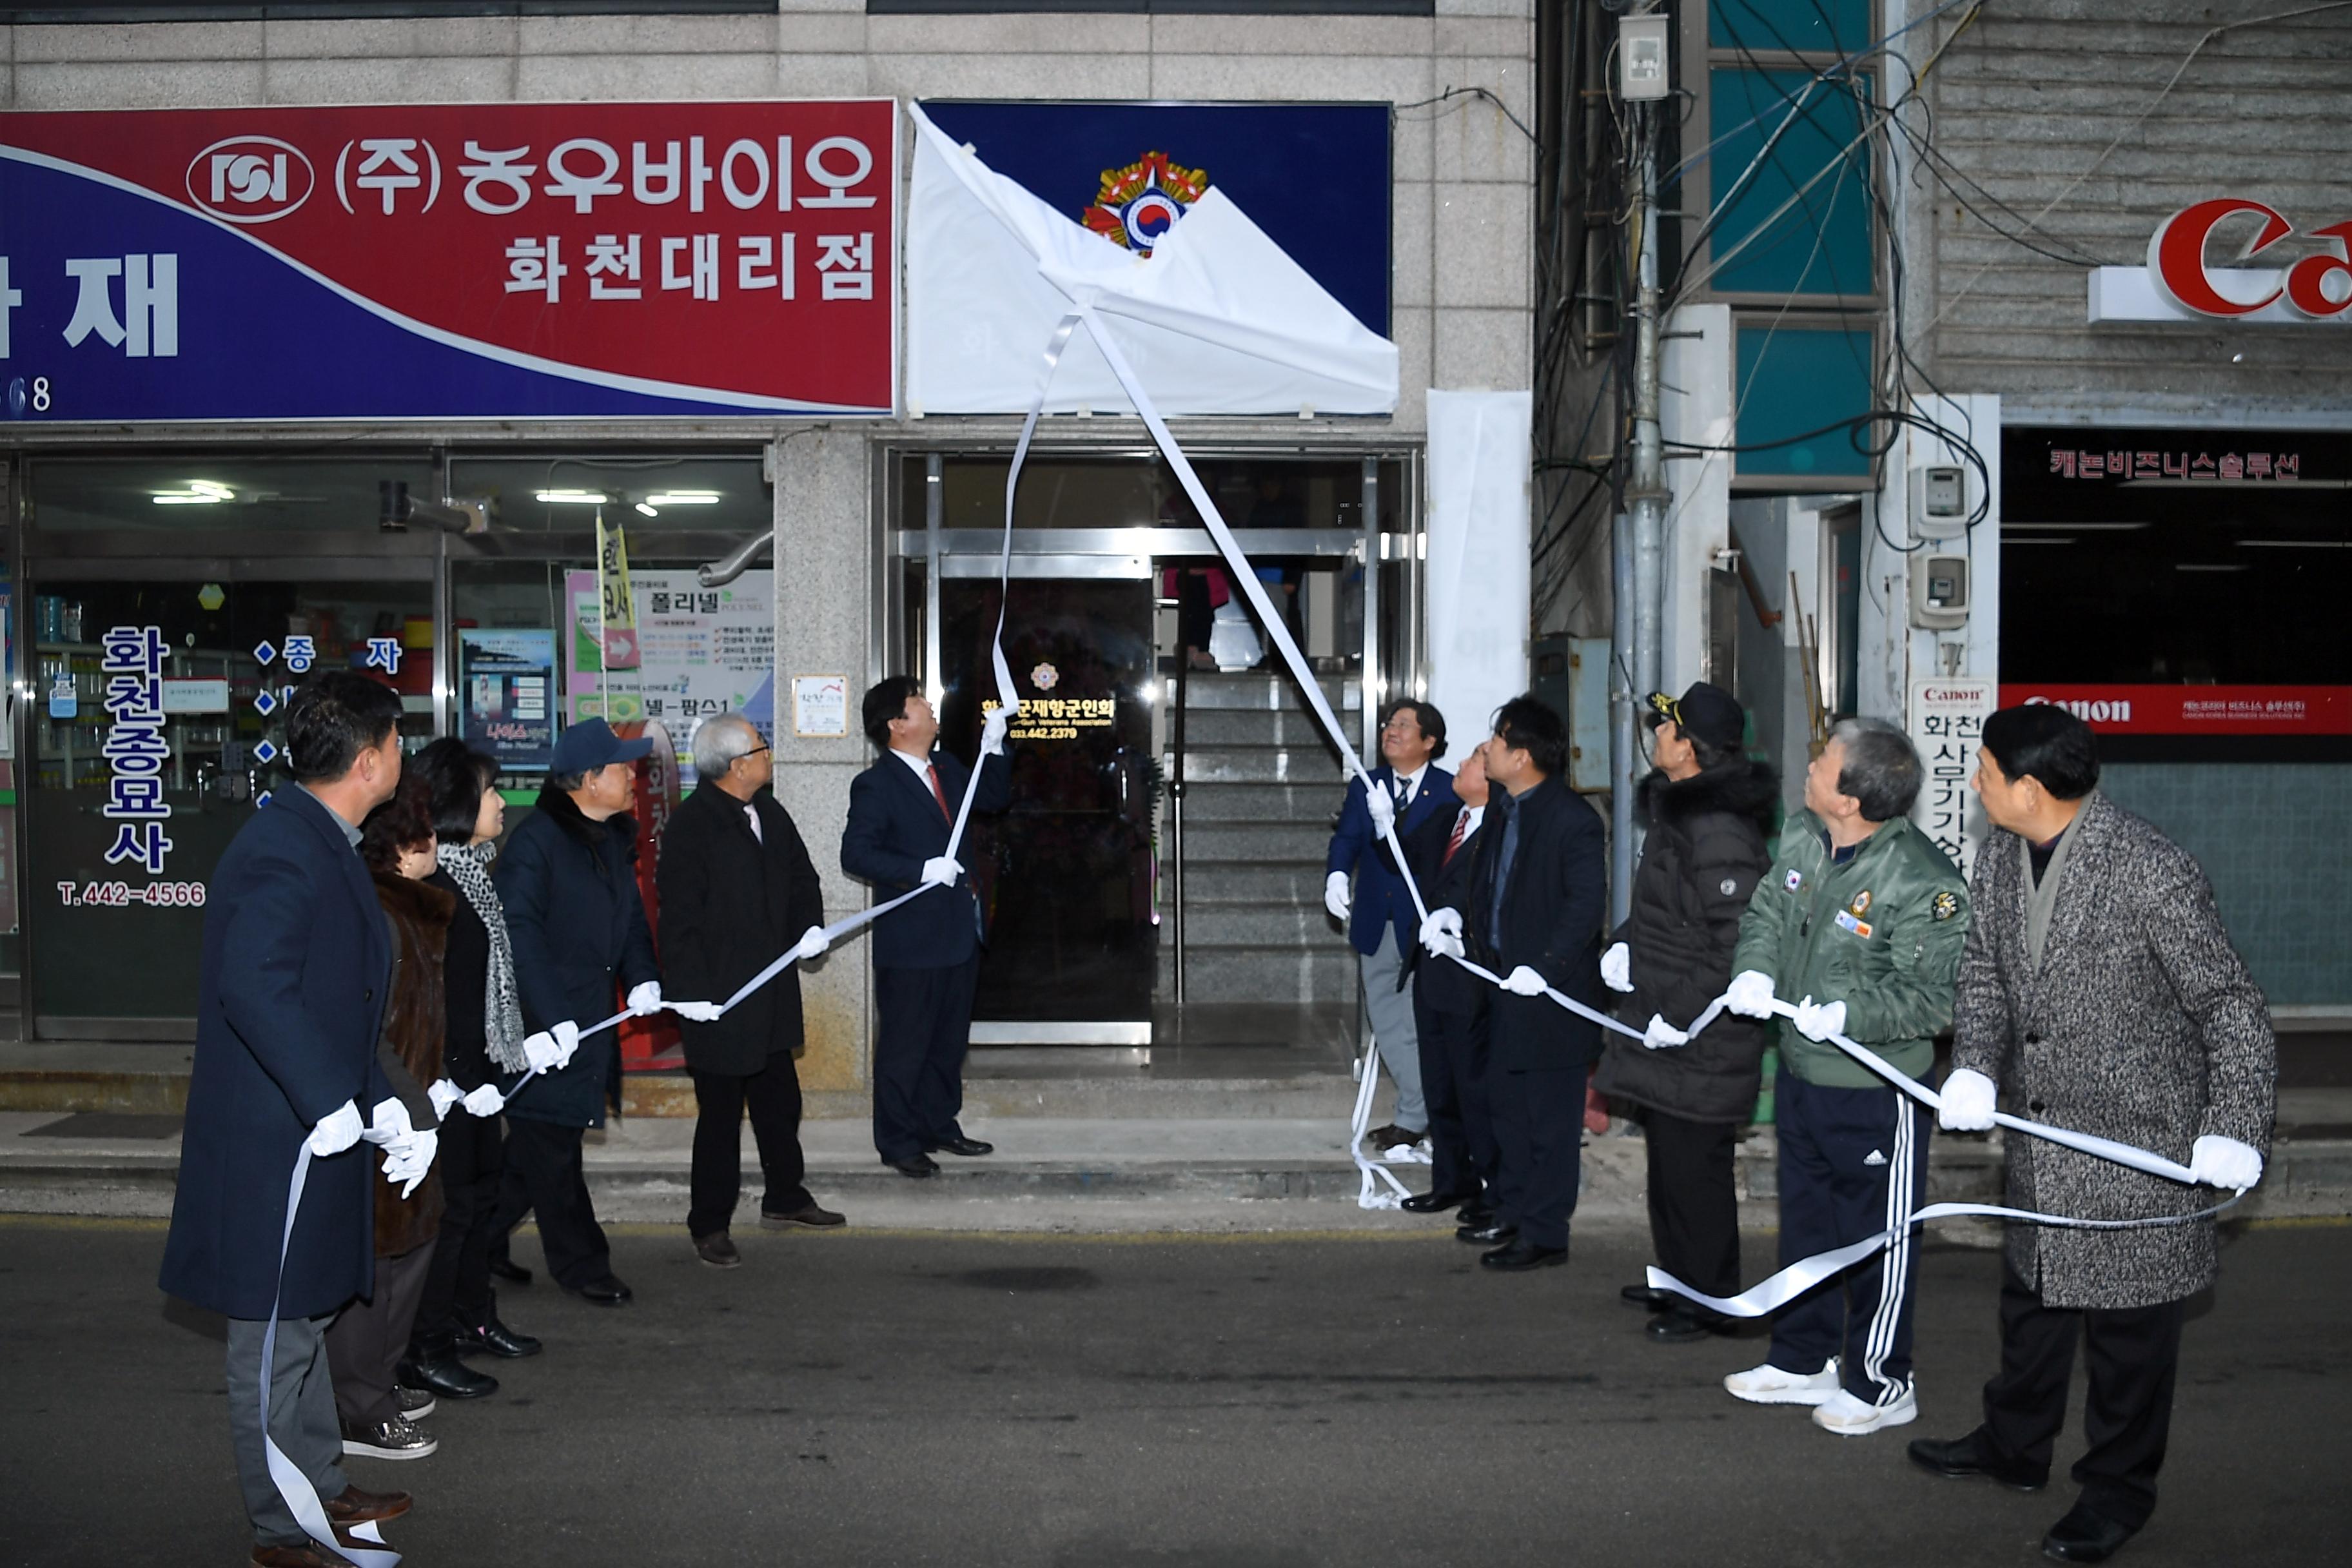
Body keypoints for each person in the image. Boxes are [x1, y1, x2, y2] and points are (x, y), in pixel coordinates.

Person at [1908, 704, 2275, 1564]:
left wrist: (2235, 1126)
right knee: (2032, 1309)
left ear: (2030, 788)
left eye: (1988, 774)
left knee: (2128, 1342)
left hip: (2137, 1153)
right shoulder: (2003, 852)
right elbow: (1986, 977)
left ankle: (2117, 1490)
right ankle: (2014, 1445)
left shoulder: (2150, 870)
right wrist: (1974, 1064)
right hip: (2042, 1140)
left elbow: (2230, 1006)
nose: (1976, 784)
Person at [158, 669, 418, 1568]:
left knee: (304, 1323)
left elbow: (334, 1003)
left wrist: (382, 1108)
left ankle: (320, 1485)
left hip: (311, 1129)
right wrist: (327, 1100)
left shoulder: (322, 836)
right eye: (396, 741)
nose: (401, 756)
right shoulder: (282, 847)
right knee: (268, 1346)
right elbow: (257, 988)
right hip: (275, 1146)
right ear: (369, 758)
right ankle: (281, 1529)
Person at [1719, 716, 1968, 1436]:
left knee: (1878, 1240)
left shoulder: (1925, 882)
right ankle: (1803, 1359)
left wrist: (1849, 1012)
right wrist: (1755, 969)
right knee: (1808, 1224)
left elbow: (1935, 999)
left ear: (1853, 797)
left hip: (1873, 1090)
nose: (1811, 763)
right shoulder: (1803, 831)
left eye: (1825, 759)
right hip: (1801, 1071)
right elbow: (1767, 909)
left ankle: (1884, 1379)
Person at [1592, 684, 1777, 1344]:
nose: (1658, 735)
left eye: (1668, 727)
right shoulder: (1685, 814)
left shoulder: (1718, 827)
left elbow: (1736, 937)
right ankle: (1679, 1278)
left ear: (1692, 748)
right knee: (1669, 1163)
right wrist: (1620, 945)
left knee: (1695, 1171)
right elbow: (1666, 912)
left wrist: (1678, 1010)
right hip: (1667, 1023)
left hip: (1703, 1033)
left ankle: (1714, 1297)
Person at [489, 718, 667, 1307]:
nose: (632, 778)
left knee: (535, 1150)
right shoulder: (535, 843)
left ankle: (477, 1238)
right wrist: (551, 1015)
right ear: (589, 781)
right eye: (622, 769)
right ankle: (583, 1264)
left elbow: (632, 923)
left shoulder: (612, 838)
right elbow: (518, 936)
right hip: (545, 1032)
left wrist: (642, 979)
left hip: (589, 1023)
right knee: (554, 1150)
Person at [659, 713, 844, 1267]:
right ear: (738, 765)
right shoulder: (692, 827)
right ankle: (709, 1222)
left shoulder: (769, 811)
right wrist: (693, 997)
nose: (770, 755)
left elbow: (802, 878)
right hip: (719, 999)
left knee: (779, 1099)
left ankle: (785, 1195)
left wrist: (809, 931)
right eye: (763, 748)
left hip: (772, 988)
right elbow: (679, 922)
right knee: (719, 1115)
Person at [1431, 695, 1605, 1272]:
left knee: (1549, 1122)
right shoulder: (1505, 810)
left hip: (1549, 996)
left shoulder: (1573, 821)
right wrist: (1457, 919)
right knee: (1506, 1109)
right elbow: (1484, 882)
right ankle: (1511, 1208)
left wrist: (1548, 965)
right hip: (1500, 984)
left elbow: (1583, 907)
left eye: (1499, 744)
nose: (1491, 753)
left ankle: (1546, 1232)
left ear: (1524, 756)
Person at [405, 739, 539, 1402]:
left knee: (482, 1201)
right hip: (447, 1081)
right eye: (490, 791)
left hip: (481, 1071)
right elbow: (438, 997)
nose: (501, 802)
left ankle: (472, 1316)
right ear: (458, 801)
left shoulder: (475, 874)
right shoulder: (436, 883)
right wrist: (459, 1076)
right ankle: (425, 1346)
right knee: (450, 1213)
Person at [327, 773, 452, 1462]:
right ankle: (359, 1404)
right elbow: (371, 1028)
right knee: (379, 1261)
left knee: (410, 1248)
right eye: (429, 827)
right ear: (407, 840)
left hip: (415, 1104)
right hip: (388, 1112)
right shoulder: (379, 912)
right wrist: (404, 1102)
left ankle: (375, 1381)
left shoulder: (411, 909)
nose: (439, 839)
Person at [840, 678, 1012, 1177]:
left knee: (948, 1040)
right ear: (897, 724)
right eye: (919, 702)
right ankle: (897, 1141)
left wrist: (996, 743)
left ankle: (940, 1123)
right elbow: (857, 853)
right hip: (912, 939)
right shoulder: (875, 784)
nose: (930, 706)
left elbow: (995, 795)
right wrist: (921, 869)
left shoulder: (948, 767)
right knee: (905, 1045)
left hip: (959, 930)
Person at [1326, 700, 1458, 1152]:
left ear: (1429, 742)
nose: (1391, 732)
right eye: (1389, 724)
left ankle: (1427, 1116)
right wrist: (1337, 875)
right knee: (1386, 1020)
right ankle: (1418, 1113)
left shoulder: (1448, 790)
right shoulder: (1369, 784)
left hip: (1424, 927)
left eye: (1404, 726)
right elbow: (1346, 837)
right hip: (1375, 921)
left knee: (1428, 1024)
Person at [1396, 743, 1496, 1224]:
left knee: (1474, 1087)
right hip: (1432, 969)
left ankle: (1490, 1186)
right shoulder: (1446, 820)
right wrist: (1385, 818)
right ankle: (1450, 1180)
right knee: (1439, 1083)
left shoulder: (1501, 830)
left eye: (1475, 759)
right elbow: (1399, 852)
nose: (1462, 764)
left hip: (1472, 973)